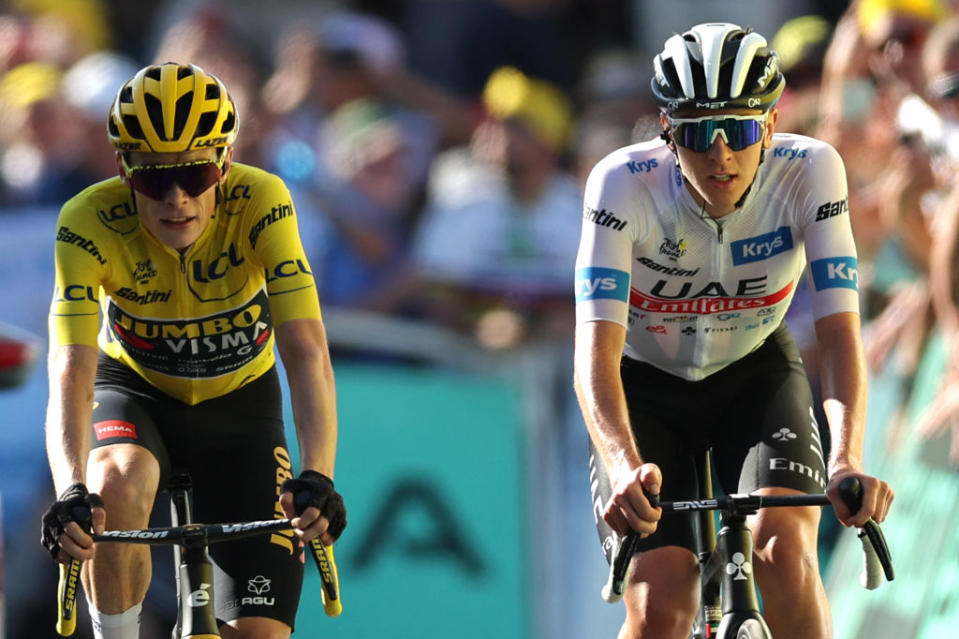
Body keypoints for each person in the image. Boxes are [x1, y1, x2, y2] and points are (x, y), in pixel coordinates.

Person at [573, 23, 894, 639]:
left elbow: (839, 333)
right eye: (697, 133)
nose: (721, 153)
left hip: (755, 371)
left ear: (771, 126)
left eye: (741, 129)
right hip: (645, 385)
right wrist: (621, 465)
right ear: (668, 131)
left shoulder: (812, 171)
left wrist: (849, 454)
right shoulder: (620, 184)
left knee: (786, 557)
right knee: (658, 602)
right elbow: (594, 353)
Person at [40, 62, 346, 639]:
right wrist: (70, 492)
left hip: (241, 405)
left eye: (197, 174)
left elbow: (306, 350)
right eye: (154, 179)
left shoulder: (262, 200)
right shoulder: (86, 220)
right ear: (124, 169)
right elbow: (70, 371)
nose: (177, 198)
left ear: (225, 164)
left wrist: (318, 476)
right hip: (135, 393)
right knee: (116, 484)